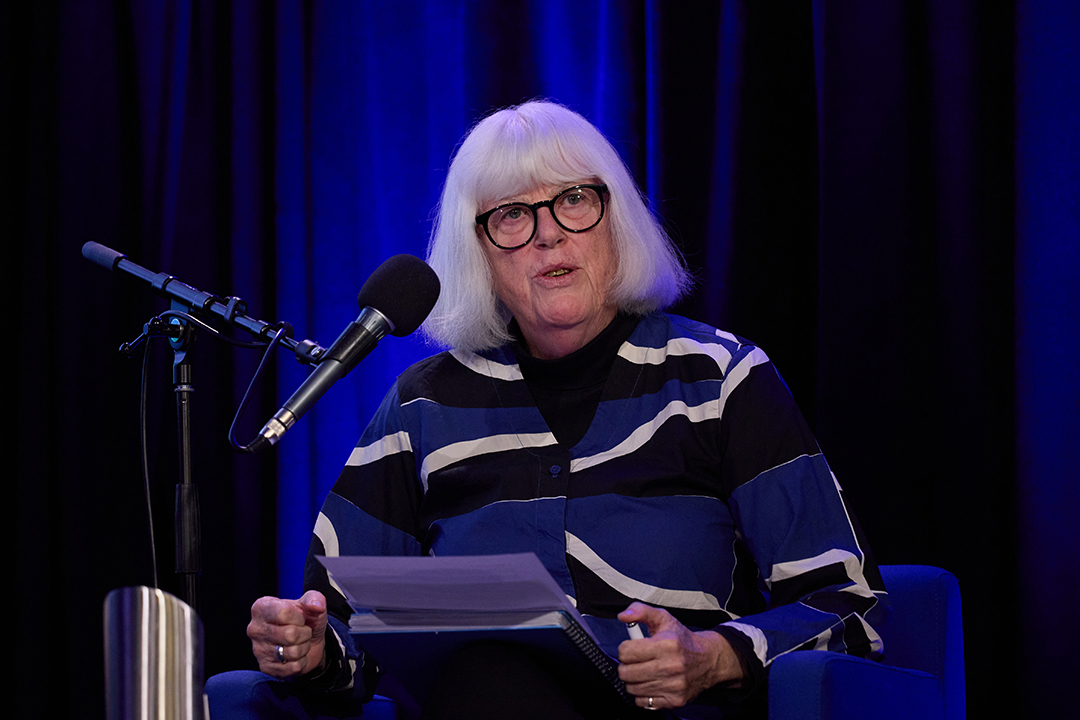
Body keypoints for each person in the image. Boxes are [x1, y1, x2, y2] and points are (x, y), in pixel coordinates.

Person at [245, 100, 888, 719]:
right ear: (479, 253)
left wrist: (713, 657)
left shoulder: (720, 377)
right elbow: (343, 624)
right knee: (491, 675)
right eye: (512, 215)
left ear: (617, 218)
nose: (549, 233)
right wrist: (306, 646)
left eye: (574, 200)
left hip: (664, 711)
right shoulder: (423, 404)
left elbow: (849, 608)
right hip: (476, 704)